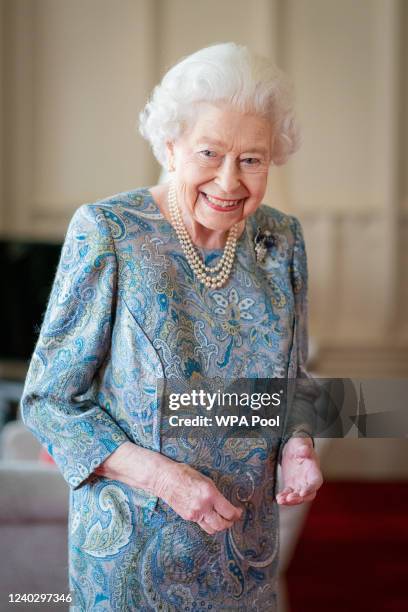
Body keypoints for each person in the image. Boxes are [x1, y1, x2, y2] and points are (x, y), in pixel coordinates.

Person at [21, 42, 323, 611]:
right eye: (210, 152)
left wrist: (299, 446)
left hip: (243, 553)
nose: (230, 182)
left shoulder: (280, 240)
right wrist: (166, 480)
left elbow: (296, 382)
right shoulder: (108, 232)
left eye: (252, 159)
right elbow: (48, 402)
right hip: (132, 556)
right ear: (170, 145)